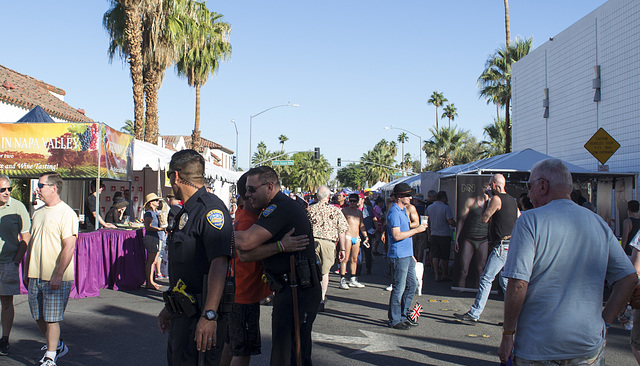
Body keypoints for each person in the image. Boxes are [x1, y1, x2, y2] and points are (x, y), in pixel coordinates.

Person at [498, 159, 637, 365]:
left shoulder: (529, 220)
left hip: (538, 346)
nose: (528, 195)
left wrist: (508, 334)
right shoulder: (597, 222)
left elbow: (519, 283)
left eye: (530, 187)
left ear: (543, 185)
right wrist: (604, 323)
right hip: (588, 346)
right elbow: (629, 278)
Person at [233, 166, 320, 366]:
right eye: (246, 189)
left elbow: (245, 242)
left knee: (292, 355)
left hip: (299, 288)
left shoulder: (280, 207)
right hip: (287, 288)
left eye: (252, 189)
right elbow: (246, 255)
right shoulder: (272, 207)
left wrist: (212, 232)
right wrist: (280, 246)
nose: (247, 194)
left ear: (269, 186)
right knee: (285, 353)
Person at [157, 149, 232, 365]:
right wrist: (170, 307)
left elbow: (219, 263)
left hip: (201, 315)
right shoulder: (188, 211)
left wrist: (209, 315)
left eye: (169, 176)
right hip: (184, 313)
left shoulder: (210, 210)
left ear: (177, 176)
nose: (170, 182)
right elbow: (187, 269)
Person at [219, 172, 273, 366]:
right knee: (242, 351)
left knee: (232, 343)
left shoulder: (241, 212)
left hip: (237, 288)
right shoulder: (249, 220)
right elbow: (245, 252)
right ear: (249, 194)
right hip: (244, 292)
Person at [28, 172, 79, 366]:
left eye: (40, 186)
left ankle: (50, 356)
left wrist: (58, 274)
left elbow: (69, 246)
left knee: (51, 318)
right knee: (38, 316)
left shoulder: (67, 213)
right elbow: (33, 243)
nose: (37, 190)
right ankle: (56, 344)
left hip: (56, 276)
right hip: (35, 275)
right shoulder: (38, 213)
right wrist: (27, 272)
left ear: (53, 188)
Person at [454, 173, 518, 322]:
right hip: (511, 244)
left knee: (486, 278)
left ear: (495, 186)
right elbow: (519, 216)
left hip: (501, 246)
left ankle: (474, 313)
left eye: (490, 185)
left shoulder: (496, 199)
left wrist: (489, 201)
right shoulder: (512, 200)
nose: (489, 188)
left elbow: (484, 218)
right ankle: (514, 318)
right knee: (505, 282)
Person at [386, 183, 428, 330]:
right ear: (399, 196)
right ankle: (395, 319)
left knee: (412, 285)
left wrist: (412, 255)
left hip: (407, 255)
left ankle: (403, 315)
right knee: (399, 288)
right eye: (407, 195)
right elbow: (397, 235)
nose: (410, 197)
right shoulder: (394, 212)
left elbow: (405, 229)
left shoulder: (403, 210)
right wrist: (417, 230)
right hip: (398, 255)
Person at [0, 175, 31, 356]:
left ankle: (5, 339)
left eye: (8, 189)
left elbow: (25, 237)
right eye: (2, 190)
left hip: (8, 262)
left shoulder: (18, 207)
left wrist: (16, 261)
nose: (6, 192)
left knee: (6, 302)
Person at [307, 185, 348, 310]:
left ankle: (311, 297)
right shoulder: (336, 211)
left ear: (317, 196)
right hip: (328, 243)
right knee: (324, 272)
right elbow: (342, 231)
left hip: (311, 243)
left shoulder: (309, 210)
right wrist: (343, 249)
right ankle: (321, 298)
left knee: (311, 270)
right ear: (329, 197)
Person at [453, 185, 489, 289]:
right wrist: (457, 238)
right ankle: (459, 291)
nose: (486, 190)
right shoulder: (471, 201)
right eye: (485, 187)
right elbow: (461, 220)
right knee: (464, 270)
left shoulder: (491, 203)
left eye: (489, 187)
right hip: (469, 239)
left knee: (480, 270)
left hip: (483, 239)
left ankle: (479, 294)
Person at [339, 193, 369, 289]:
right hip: (347, 236)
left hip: (356, 237)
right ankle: (342, 279)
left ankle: (353, 278)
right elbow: (340, 225)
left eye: (354, 201)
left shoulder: (359, 213)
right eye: (350, 201)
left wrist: (365, 236)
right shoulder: (344, 211)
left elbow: (361, 225)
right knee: (345, 258)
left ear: (357, 202)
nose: (352, 203)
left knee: (354, 259)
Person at [426, 191, 456, 281]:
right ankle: (444, 274)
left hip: (433, 234)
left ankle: (436, 275)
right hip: (444, 234)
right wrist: (457, 224)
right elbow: (450, 221)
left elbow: (427, 222)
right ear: (444, 198)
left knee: (435, 255)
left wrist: (428, 234)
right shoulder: (446, 208)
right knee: (445, 257)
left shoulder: (430, 207)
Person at [142, 193, 165, 290]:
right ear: (151, 203)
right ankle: (149, 281)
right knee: (151, 261)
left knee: (154, 260)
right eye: (156, 200)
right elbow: (148, 227)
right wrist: (159, 229)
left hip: (156, 237)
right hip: (152, 237)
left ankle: (151, 280)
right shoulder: (149, 213)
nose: (158, 202)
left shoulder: (156, 212)